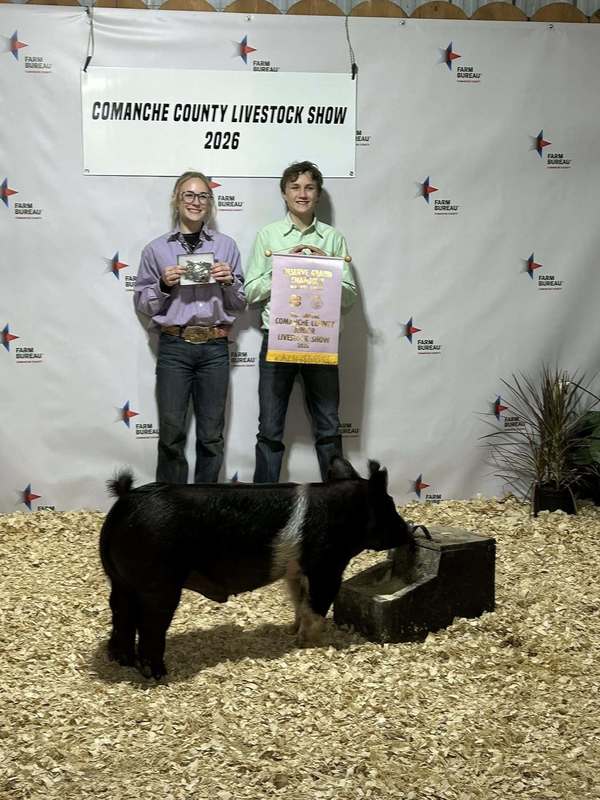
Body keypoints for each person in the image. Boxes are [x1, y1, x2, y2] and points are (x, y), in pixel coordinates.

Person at [244, 160, 357, 483]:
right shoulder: (268, 236)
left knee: (329, 427)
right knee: (269, 429)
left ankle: (339, 502)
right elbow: (250, 291)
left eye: (309, 187)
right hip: (278, 339)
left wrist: (326, 270)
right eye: (295, 187)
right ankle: (264, 507)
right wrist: (285, 266)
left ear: (318, 194)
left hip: (319, 341)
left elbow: (348, 297)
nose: (302, 194)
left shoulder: (333, 239)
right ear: (284, 193)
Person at [134, 170, 245, 483]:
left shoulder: (226, 247)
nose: (196, 202)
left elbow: (240, 304)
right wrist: (163, 285)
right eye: (189, 195)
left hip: (214, 348)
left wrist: (230, 282)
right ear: (176, 199)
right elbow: (143, 304)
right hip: (174, 347)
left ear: (210, 203)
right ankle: (170, 512)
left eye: (203, 196)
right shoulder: (156, 250)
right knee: (171, 436)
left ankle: (205, 511)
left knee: (211, 437)